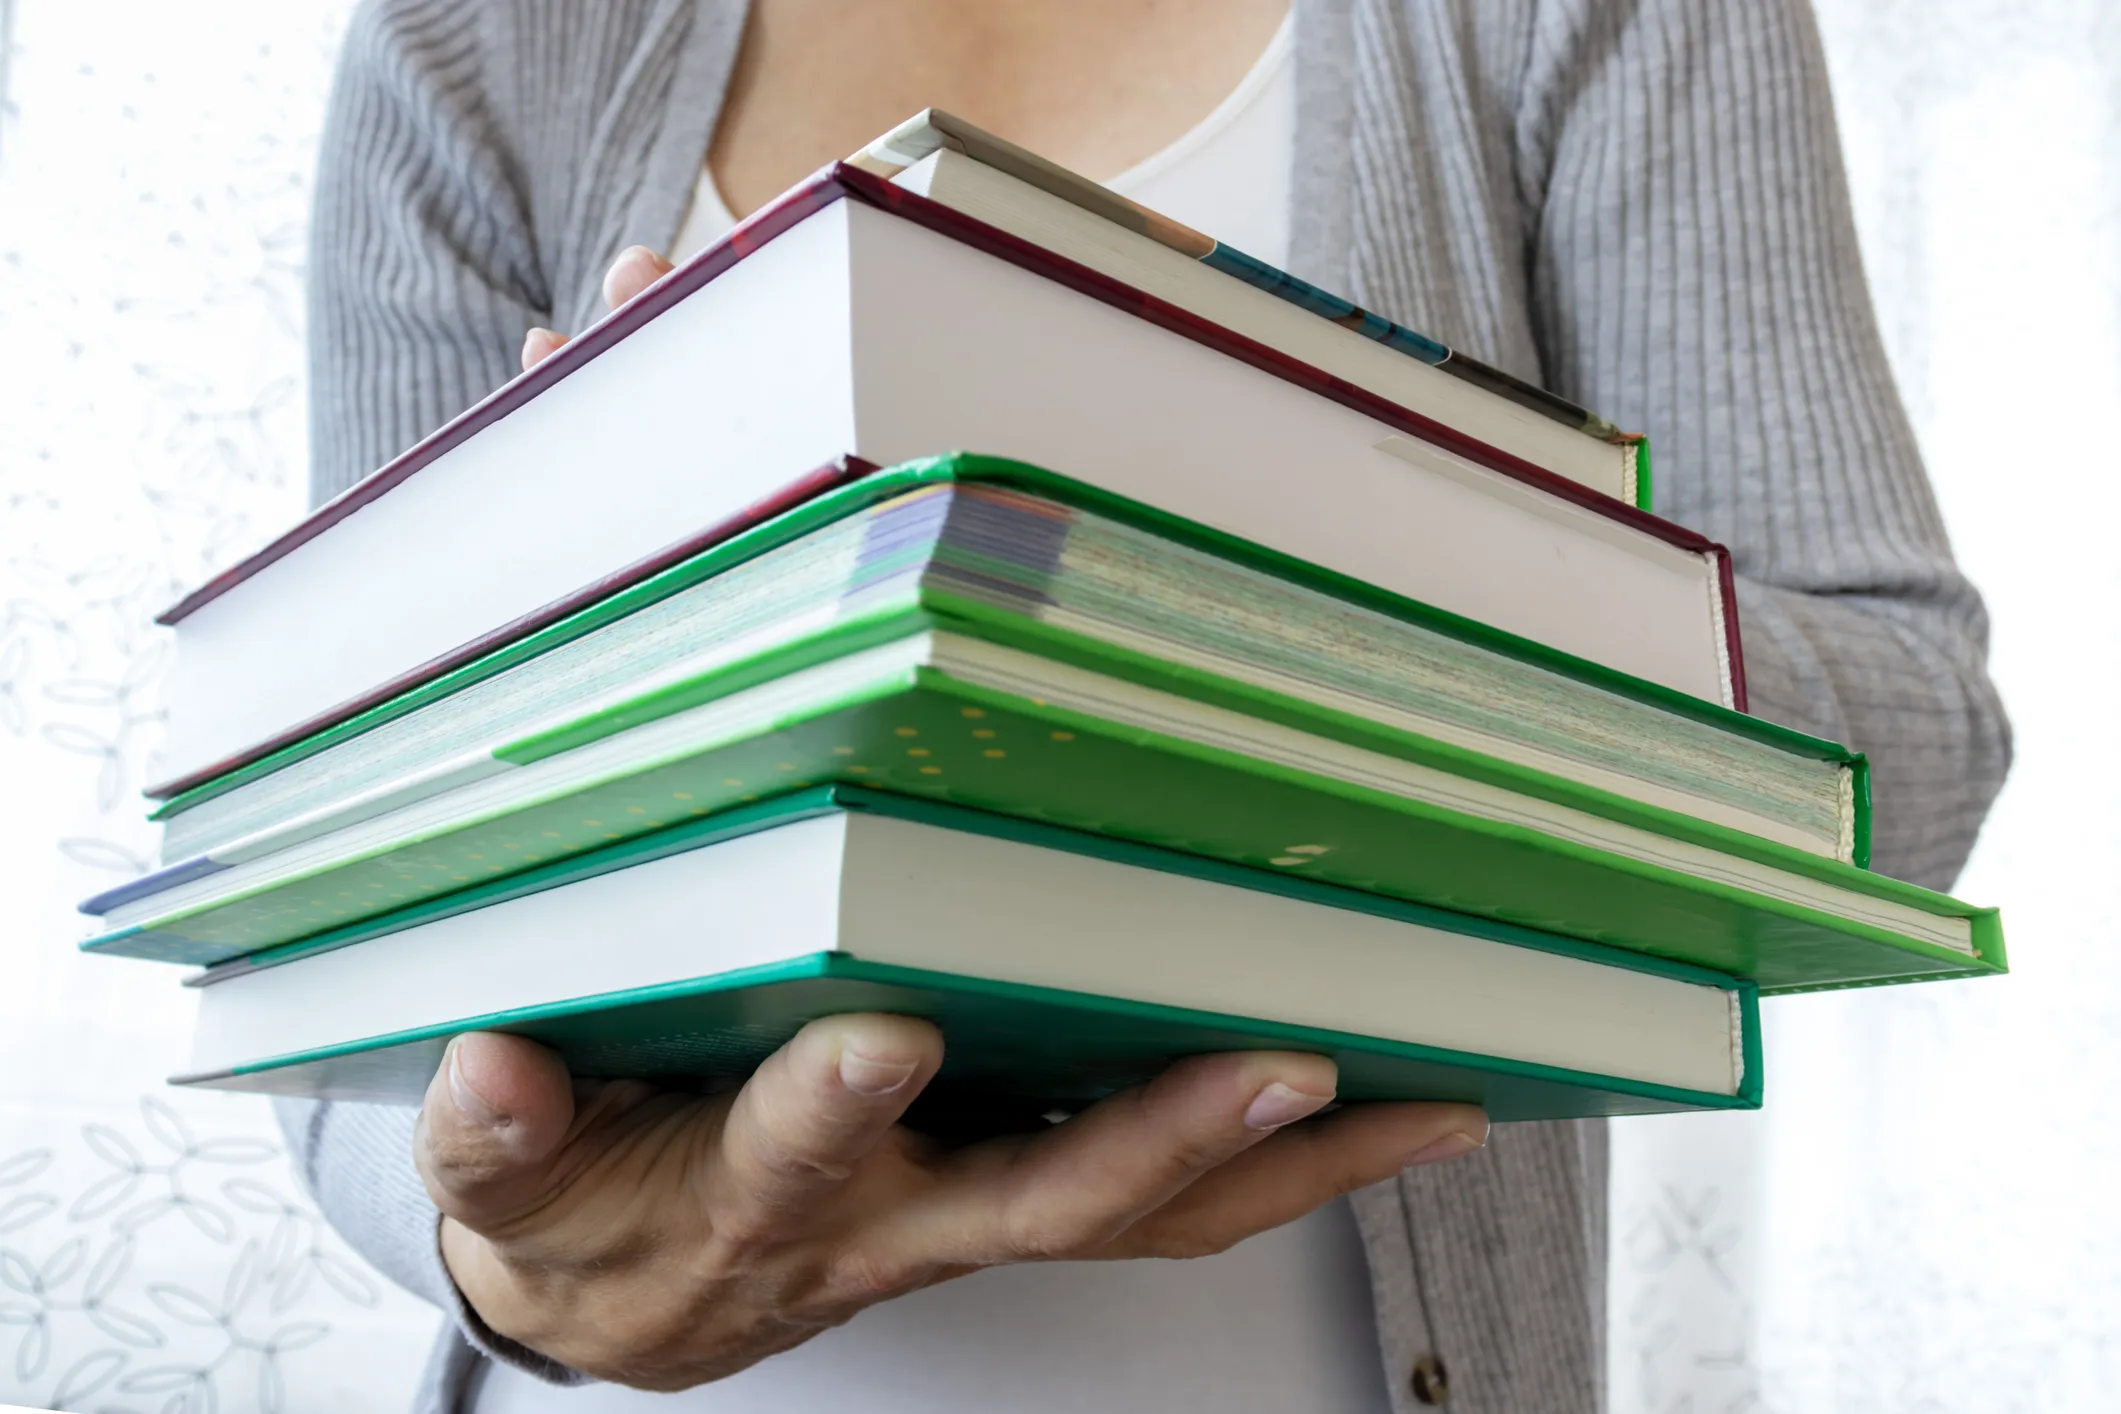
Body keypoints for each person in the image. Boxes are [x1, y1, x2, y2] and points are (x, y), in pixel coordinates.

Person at [281, 1, 2011, 1411]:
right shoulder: (474, 45)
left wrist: (1218, 563)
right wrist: (501, 1260)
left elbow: (1904, 737)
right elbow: (330, 886)